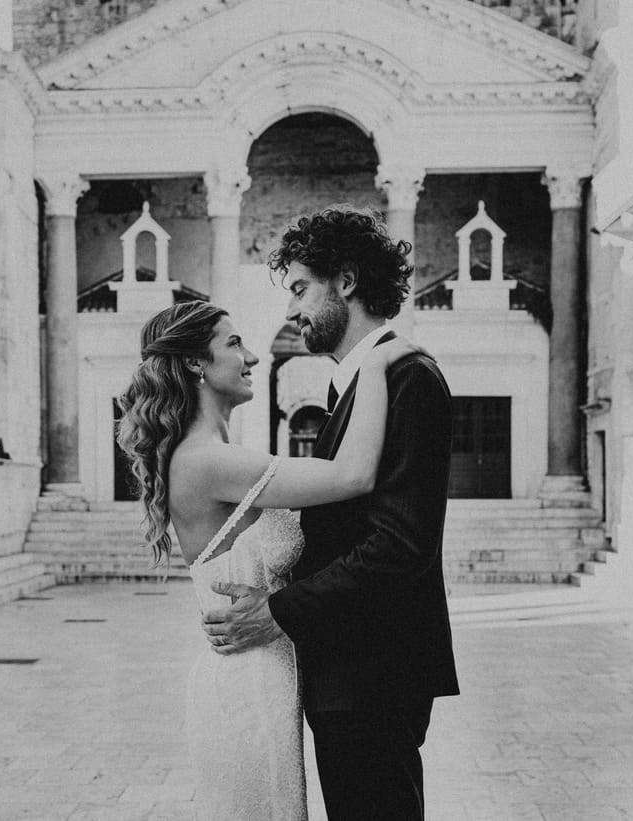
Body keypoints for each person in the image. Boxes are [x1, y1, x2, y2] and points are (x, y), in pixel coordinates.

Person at [116, 298, 421, 821]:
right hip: (247, 688)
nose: (253, 356)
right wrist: (374, 363)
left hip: (268, 676)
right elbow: (353, 476)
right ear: (195, 363)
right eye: (234, 343)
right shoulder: (207, 461)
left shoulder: (217, 454)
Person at [203, 207, 459, 821]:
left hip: (375, 671)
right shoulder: (355, 384)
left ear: (346, 281)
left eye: (300, 289)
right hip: (348, 667)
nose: (292, 310)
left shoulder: (409, 378)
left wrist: (279, 612)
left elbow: (400, 545)